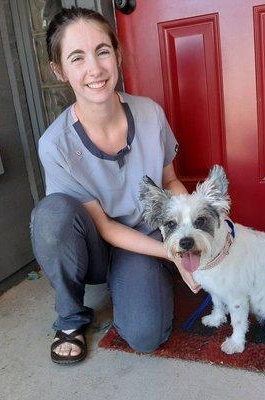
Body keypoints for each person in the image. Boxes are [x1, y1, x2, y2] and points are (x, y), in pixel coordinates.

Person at [30, 7, 200, 365]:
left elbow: (169, 181)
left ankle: (133, 281)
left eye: (102, 51)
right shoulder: (55, 144)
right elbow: (104, 226)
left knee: (145, 336)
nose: (95, 69)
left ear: (117, 54)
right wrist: (173, 256)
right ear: (60, 71)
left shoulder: (150, 114)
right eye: (77, 58)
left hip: (140, 241)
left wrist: (190, 235)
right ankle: (70, 318)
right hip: (92, 245)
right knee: (52, 215)